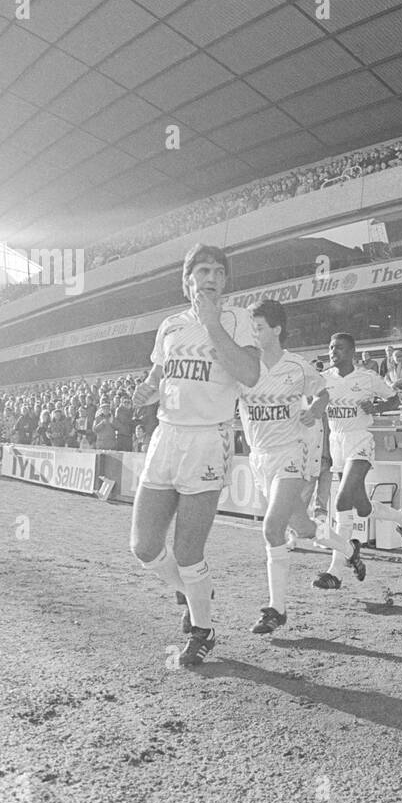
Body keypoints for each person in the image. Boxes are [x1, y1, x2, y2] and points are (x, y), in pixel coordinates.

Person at [128, 243, 261, 667]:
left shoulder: (238, 320)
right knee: (144, 546)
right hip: (167, 437)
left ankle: (203, 629)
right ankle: (190, 592)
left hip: (208, 438)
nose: (211, 278)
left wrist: (211, 323)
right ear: (188, 280)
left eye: (219, 273)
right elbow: (157, 374)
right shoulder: (169, 326)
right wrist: (146, 391)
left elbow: (250, 374)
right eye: (203, 271)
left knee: (189, 552)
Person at [240, 302, 361, 634]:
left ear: (277, 330)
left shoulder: (297, 366)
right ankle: (349, 549)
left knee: (271, 528)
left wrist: (314, 410)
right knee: (304, 529)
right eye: (252, 327)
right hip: (259, 457)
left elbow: (323, 394)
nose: (254, 333)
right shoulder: (243, 367)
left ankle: (276, 609)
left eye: (260, 327)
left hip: (289, 454)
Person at [317, 331, 402, 591]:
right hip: (337, 443)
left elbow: (395, 398)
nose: (333, 352)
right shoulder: (324, 379)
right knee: (362, 508)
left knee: (341, 501)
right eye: (330, 347)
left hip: (360, 441)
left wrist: (378, 408)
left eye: (338, 348)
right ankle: (399, 517)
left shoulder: (367, 378)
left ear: (352, 353)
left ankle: (335, 571)